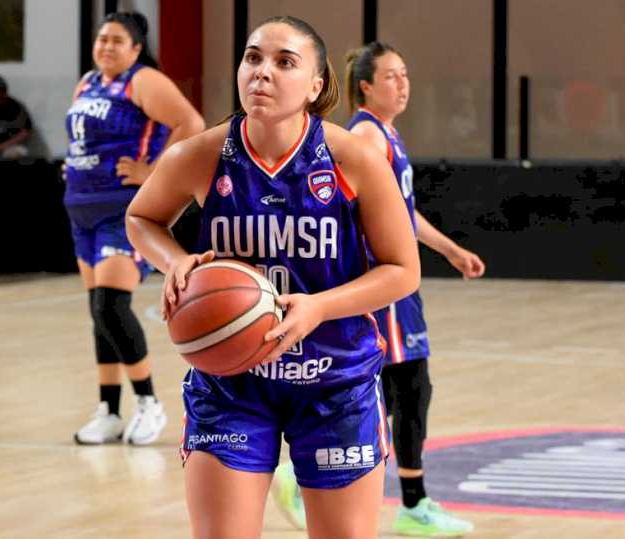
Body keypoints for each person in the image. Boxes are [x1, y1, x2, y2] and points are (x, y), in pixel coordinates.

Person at [126, 16, 420, 539]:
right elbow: (141, 218)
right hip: (232, 385)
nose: (262, 71)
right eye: (253, 57)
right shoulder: (204, 155)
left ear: (316, 84)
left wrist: (319, 307)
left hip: (336, 379)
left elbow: (403, 272)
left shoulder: (352, 158)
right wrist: (175, 263)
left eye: (284, 62)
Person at [272, 41, 485, 537]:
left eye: (406, 75)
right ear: (365, 86)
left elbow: (401, 212)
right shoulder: (365, 135)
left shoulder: (387, 133)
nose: (403, 84)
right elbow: (352, 212)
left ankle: (402, 501)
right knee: (402, 389)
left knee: (406, 392)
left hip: (400, 282)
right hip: (381, 282)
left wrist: (448, 249)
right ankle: (386, 499)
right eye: (392, 76)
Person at [67, 12, 205, 445]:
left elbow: (192, 124)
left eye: (116, 40)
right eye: (101, 38)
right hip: (82, 210)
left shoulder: (142, 81)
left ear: (136, 48)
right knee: (98, 312)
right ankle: (108, 409)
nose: (106, 45)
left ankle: (149, 402)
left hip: (121, 212)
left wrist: (153, 172)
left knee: (111, 305)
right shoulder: (87, 82)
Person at [0, 75, 33, 157]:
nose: (1, 95)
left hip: (9, 148)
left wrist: (2, 146)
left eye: (3, 91)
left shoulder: (14, 106)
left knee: (15, 153)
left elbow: (25, 131)